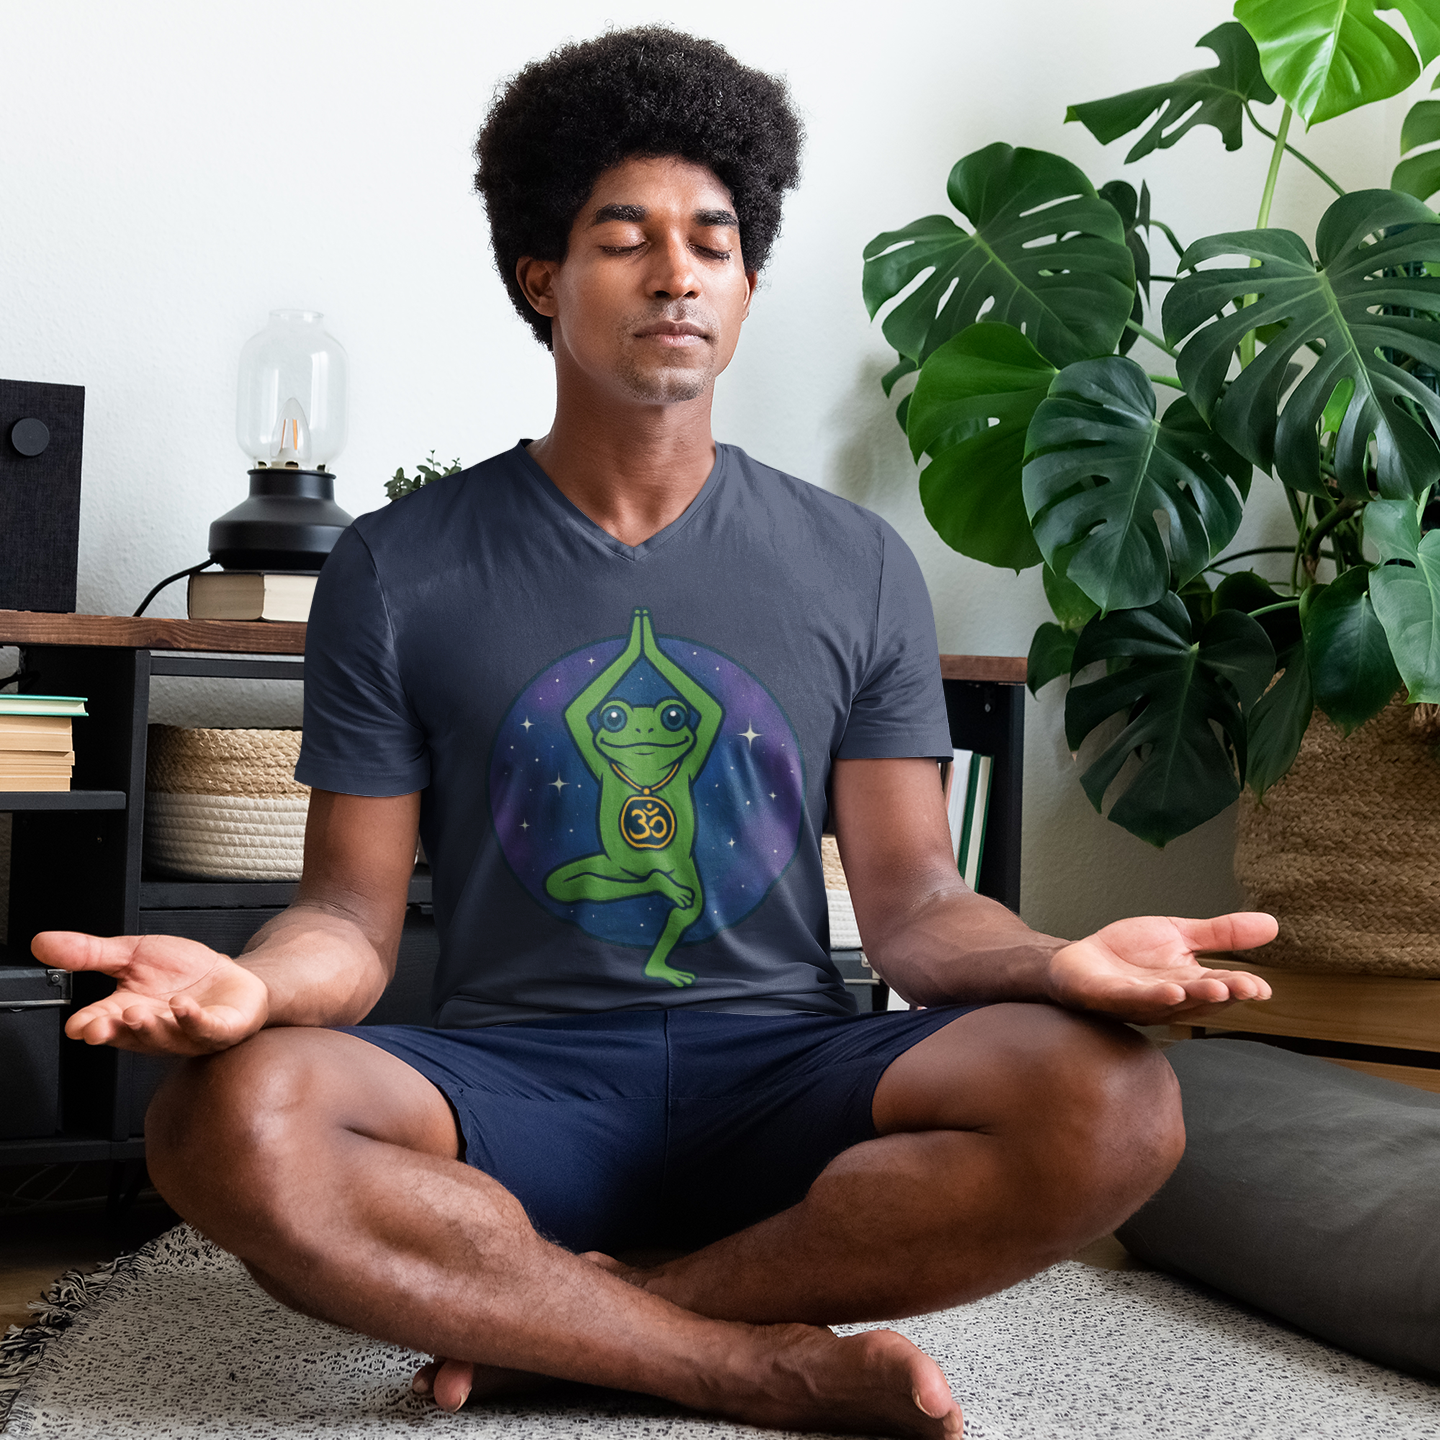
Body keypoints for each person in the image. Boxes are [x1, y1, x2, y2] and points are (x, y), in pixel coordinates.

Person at [34, 27, 1277, 1439]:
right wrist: (258, 991)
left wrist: (1062, 966)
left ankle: (572, 1325)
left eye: (715, 238)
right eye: (625, 237)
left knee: (1119, 1107)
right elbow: (350, 917)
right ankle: (745, 1367)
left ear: (747, 284)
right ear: (544, 279)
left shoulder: (856, 563)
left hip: (787, 1076)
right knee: (218, 1123)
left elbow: (918, 911)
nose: (678, 271)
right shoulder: (398, 565)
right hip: (513, 1089)